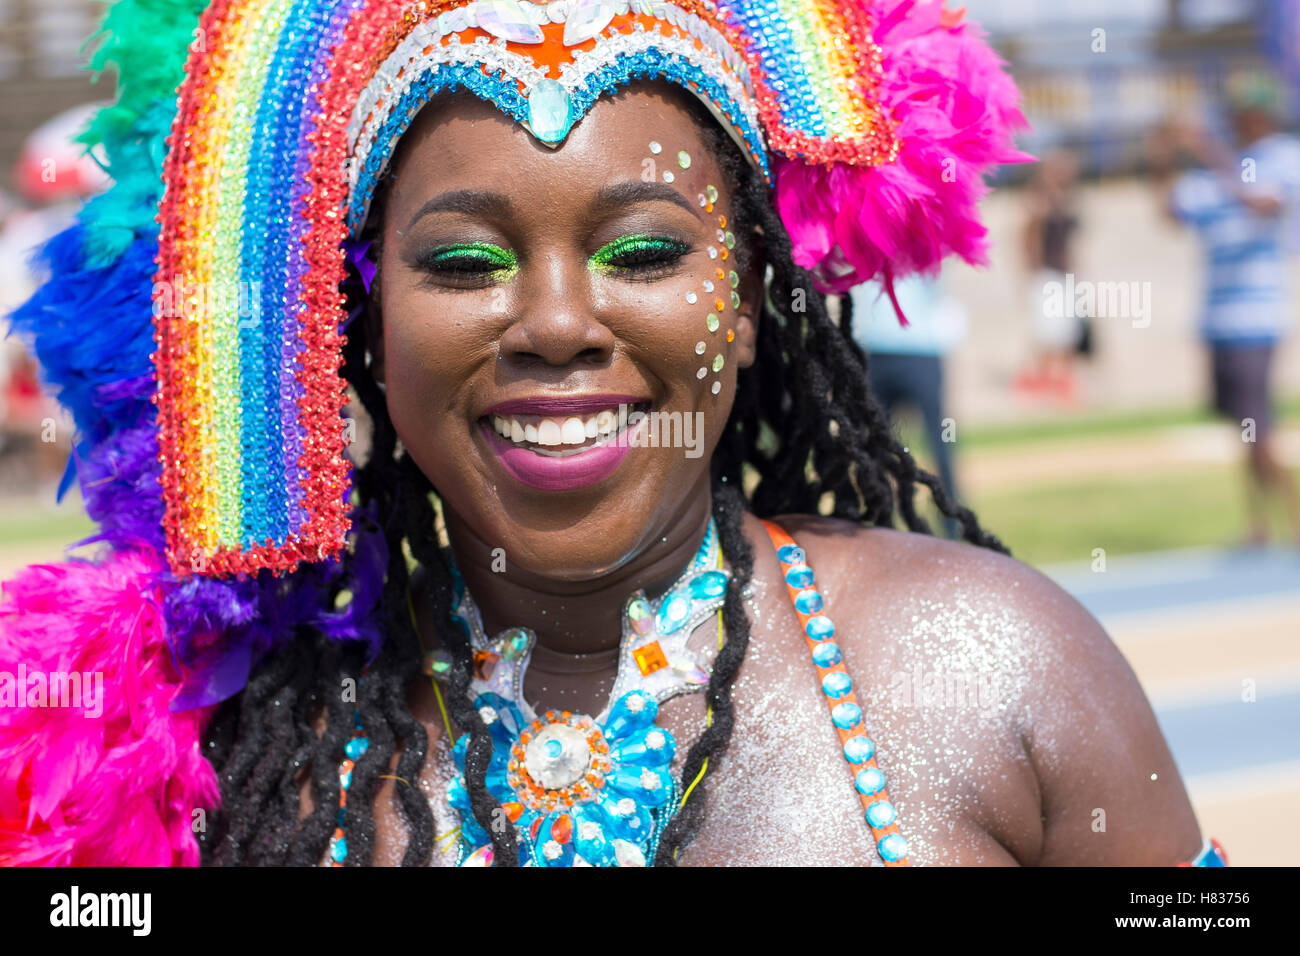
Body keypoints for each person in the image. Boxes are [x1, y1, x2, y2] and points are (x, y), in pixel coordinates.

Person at [0, 0, 1227, 868]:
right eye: (462, 262)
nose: (553, 323)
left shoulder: (1002, 665)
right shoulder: (213, 756)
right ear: (363, 328)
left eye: (642, 251)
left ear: (745, 307)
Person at [1156, 75, 1300, 547]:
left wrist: (1209, 152)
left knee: (1258, 426)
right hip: (1217, 317)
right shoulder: (1219, 169)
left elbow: (1262, 204)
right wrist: (1163, 155)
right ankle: (1259, 525)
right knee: (1244, 428)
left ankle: (1293, 521)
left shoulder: (1281, 157)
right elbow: (1172, 214)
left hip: (1254, 319)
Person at [847, 273, 966, 537]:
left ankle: (951, 524)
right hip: (876, 352)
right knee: (874, 447)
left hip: (920, 350)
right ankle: (880, 523)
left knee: (941, 442)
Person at [1015, 147, 1087, 405]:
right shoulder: (1039, 203)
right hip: (1046, 274)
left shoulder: (1064, 201)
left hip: (1063, 273)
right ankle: (1039, 382)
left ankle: (1063, 383)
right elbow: (1028, 240)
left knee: (1067, 333)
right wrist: (1032, 275)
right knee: (1049, 333)